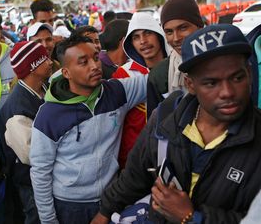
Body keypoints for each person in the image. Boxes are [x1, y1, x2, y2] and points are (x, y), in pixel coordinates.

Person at [92, 24, 261, 224]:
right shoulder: (165, 117)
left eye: (237, 78)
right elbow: (134, 177)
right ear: (190, 84)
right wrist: (104, 213)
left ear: (249, 74)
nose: (227, 92)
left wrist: (190, 217)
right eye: (211, 83)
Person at [29, 34, 147, 224]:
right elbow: (40, 171)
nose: (94, 66)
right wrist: (49, 221)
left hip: (111, 200)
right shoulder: (49, 115)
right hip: (69, 207)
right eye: (83, 62)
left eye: (95, 57)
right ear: (66, 73)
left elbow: (155, 81)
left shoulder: (116, 92)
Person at [0, 41, 53, 224]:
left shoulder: (46, 90)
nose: (50, 62)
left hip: (49, 178)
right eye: (43, 59)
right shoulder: (16, 109)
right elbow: (32, 154)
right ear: (32, 67)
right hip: (31, 185)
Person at [112, 12, 168, 167]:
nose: (143, 41)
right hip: (136, 160)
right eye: (136, 37)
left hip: (173, 155)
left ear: (158, 34)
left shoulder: (177, 67)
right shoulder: (124, 74)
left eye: (147, 33)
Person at [147, 0, 204, 117]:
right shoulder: (159, 75)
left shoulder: (219, 63)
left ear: (200, 27)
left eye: (183, 28)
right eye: (169, 32)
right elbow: (154, 127)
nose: (176, 38)